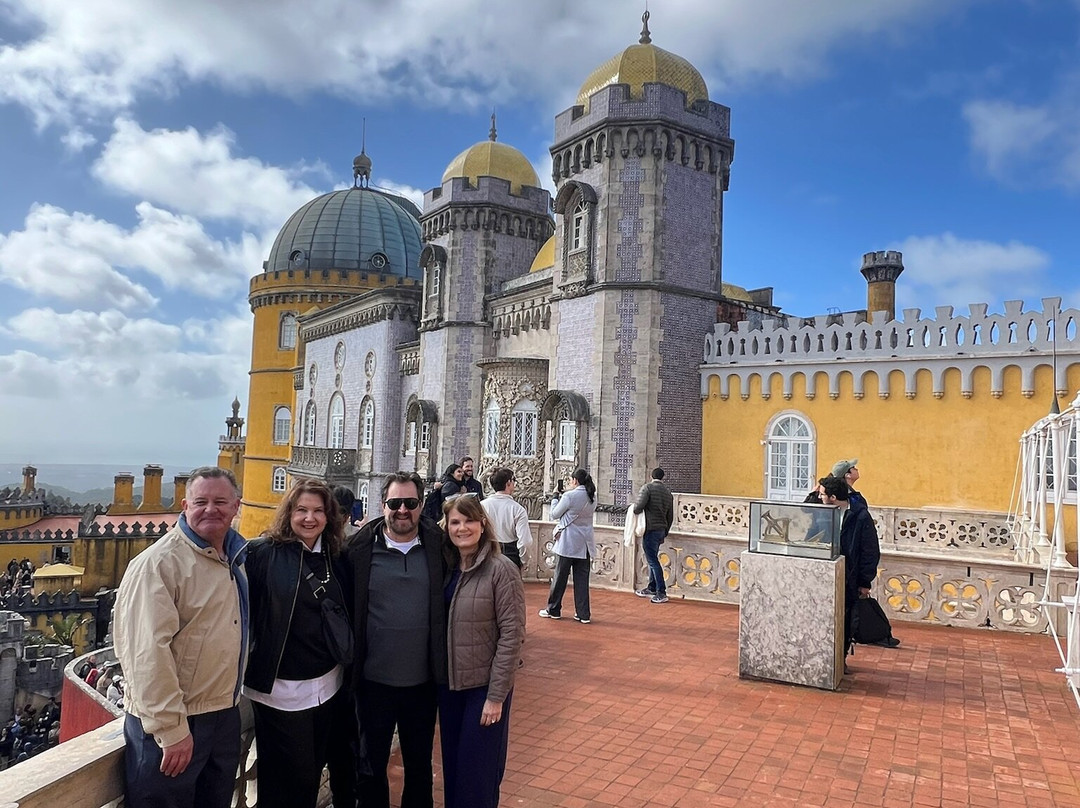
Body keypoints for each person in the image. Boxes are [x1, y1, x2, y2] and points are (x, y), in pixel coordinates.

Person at [113, 466, 248, 808]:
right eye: (200, 501)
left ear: (237, 507)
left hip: (222, 714)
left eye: (220, 501)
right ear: (185, 506)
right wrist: (171, 730)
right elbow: (145, 655)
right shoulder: (158, 564)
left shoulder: (235, 559)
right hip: (176, 724)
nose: (210, 509)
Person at [243, 478, 357, 808]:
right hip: (280, 692)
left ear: (330, 516)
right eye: (302, 510)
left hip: (328, 687)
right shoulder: (263, 555)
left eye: (318, 511)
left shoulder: (338, 557)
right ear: (289, 512)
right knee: (285, 781)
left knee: (308, 778)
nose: (310, 518)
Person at [342, 472, 447, 808]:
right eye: (395, 503)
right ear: (382, 504)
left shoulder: (439, 547)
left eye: (411, 503)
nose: (403, 510)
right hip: (373, 685)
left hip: (422, 685)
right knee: (370, 769)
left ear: (421, 506)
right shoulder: (358, 550)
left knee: (419, 768)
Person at [439, 494, 526, 808]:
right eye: (455, 522)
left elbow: (512, 635)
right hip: (449, 687)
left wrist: (496, 695)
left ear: (482, 523)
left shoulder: (501, 570)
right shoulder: (447, 567)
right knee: (453, 771)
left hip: (483, 689)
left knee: (478, 776)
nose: (462, 528)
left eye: (469, 521)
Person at [820, 475, 883, 662]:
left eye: (823, 494)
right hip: (826, 575)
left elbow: (870, 551)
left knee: (846, 619)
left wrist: (865, 582)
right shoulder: (823, 513)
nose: (819, 498)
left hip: (849, 578)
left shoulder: (860, 516)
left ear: (833, 497)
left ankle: (840, 658)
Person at [539, 469, 596, 624]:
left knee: (560, 577)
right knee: (582, 580)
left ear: (575, 481)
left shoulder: (569, 496)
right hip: (584, 543)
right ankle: (583, 613)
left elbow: (554, 514)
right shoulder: (592, 497)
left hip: (567, 542)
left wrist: (555, 497)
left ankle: (554, 609)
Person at [632, 468, 674, 604]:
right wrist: (665, 531)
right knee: (653, 558)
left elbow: (638, 508)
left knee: (652, 561)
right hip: (661, 528)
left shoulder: (647, 488)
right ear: (663, 478)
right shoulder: (668, 493)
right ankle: (651, 587)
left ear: (651, 475)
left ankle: (661, 592)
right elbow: (670, 516)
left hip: (650, 529)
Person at [481, 468, 532, 570]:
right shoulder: (517, 509)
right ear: (509, 482)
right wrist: (524, 561)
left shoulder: (482, 506)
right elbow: (525, 542)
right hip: (509, 553)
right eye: (514, 480)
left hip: (486, 551)